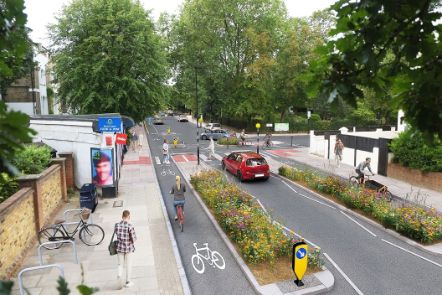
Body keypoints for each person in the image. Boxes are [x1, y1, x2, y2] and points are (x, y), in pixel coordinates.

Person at [116, 210, 137, 288]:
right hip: (128, 248)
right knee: (129, 264)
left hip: (119, 247)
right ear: (129, 217)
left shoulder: (117, 225)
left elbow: (116, 234)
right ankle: (128, 282)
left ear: (122, 216)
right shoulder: (130, 226)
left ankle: (119, 275)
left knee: (120, 264)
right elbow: (133, 238)